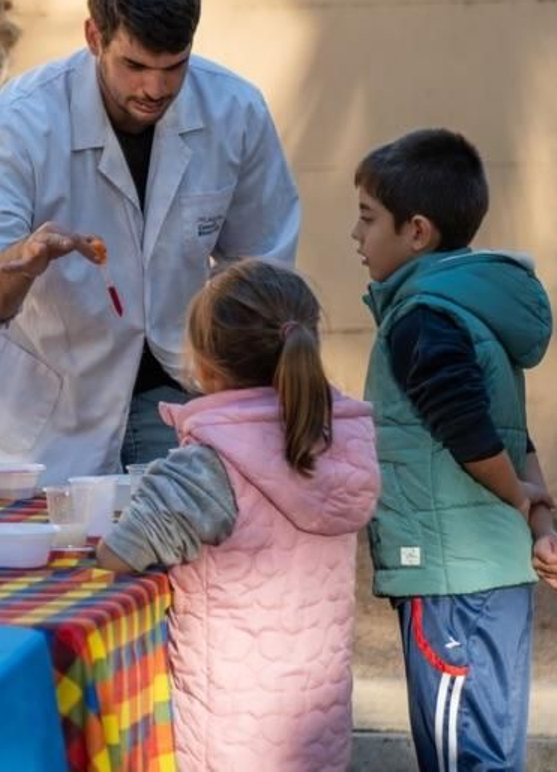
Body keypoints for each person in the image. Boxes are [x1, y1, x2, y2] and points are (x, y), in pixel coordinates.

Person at [0, 0, 300, 485]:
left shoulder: (235, 111)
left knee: (177, 565)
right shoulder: (20, 120)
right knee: (57, 571)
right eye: (134, 66)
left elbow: (264, 269)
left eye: (174, 67)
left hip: (181, 408)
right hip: (46, 426)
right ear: (93, 37)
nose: (154, 88)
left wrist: (236, 393)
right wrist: (21, 261)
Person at [352, 128, 557, 771]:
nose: (356, 236)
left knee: (463, 756)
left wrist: (518, 497)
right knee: (487, 752)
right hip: (493, 578)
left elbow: (469, 432)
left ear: (417, 231)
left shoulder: (422, 317)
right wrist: (540, 525)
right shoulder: (474, 312)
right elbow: (515, 436)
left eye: (368, 219)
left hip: (450, 579)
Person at [98, 258, 379, 771]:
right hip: (318, 723)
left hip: (225, 729)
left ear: (204, 368)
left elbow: (118, 555)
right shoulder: (341, 443)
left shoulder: (207, 465)